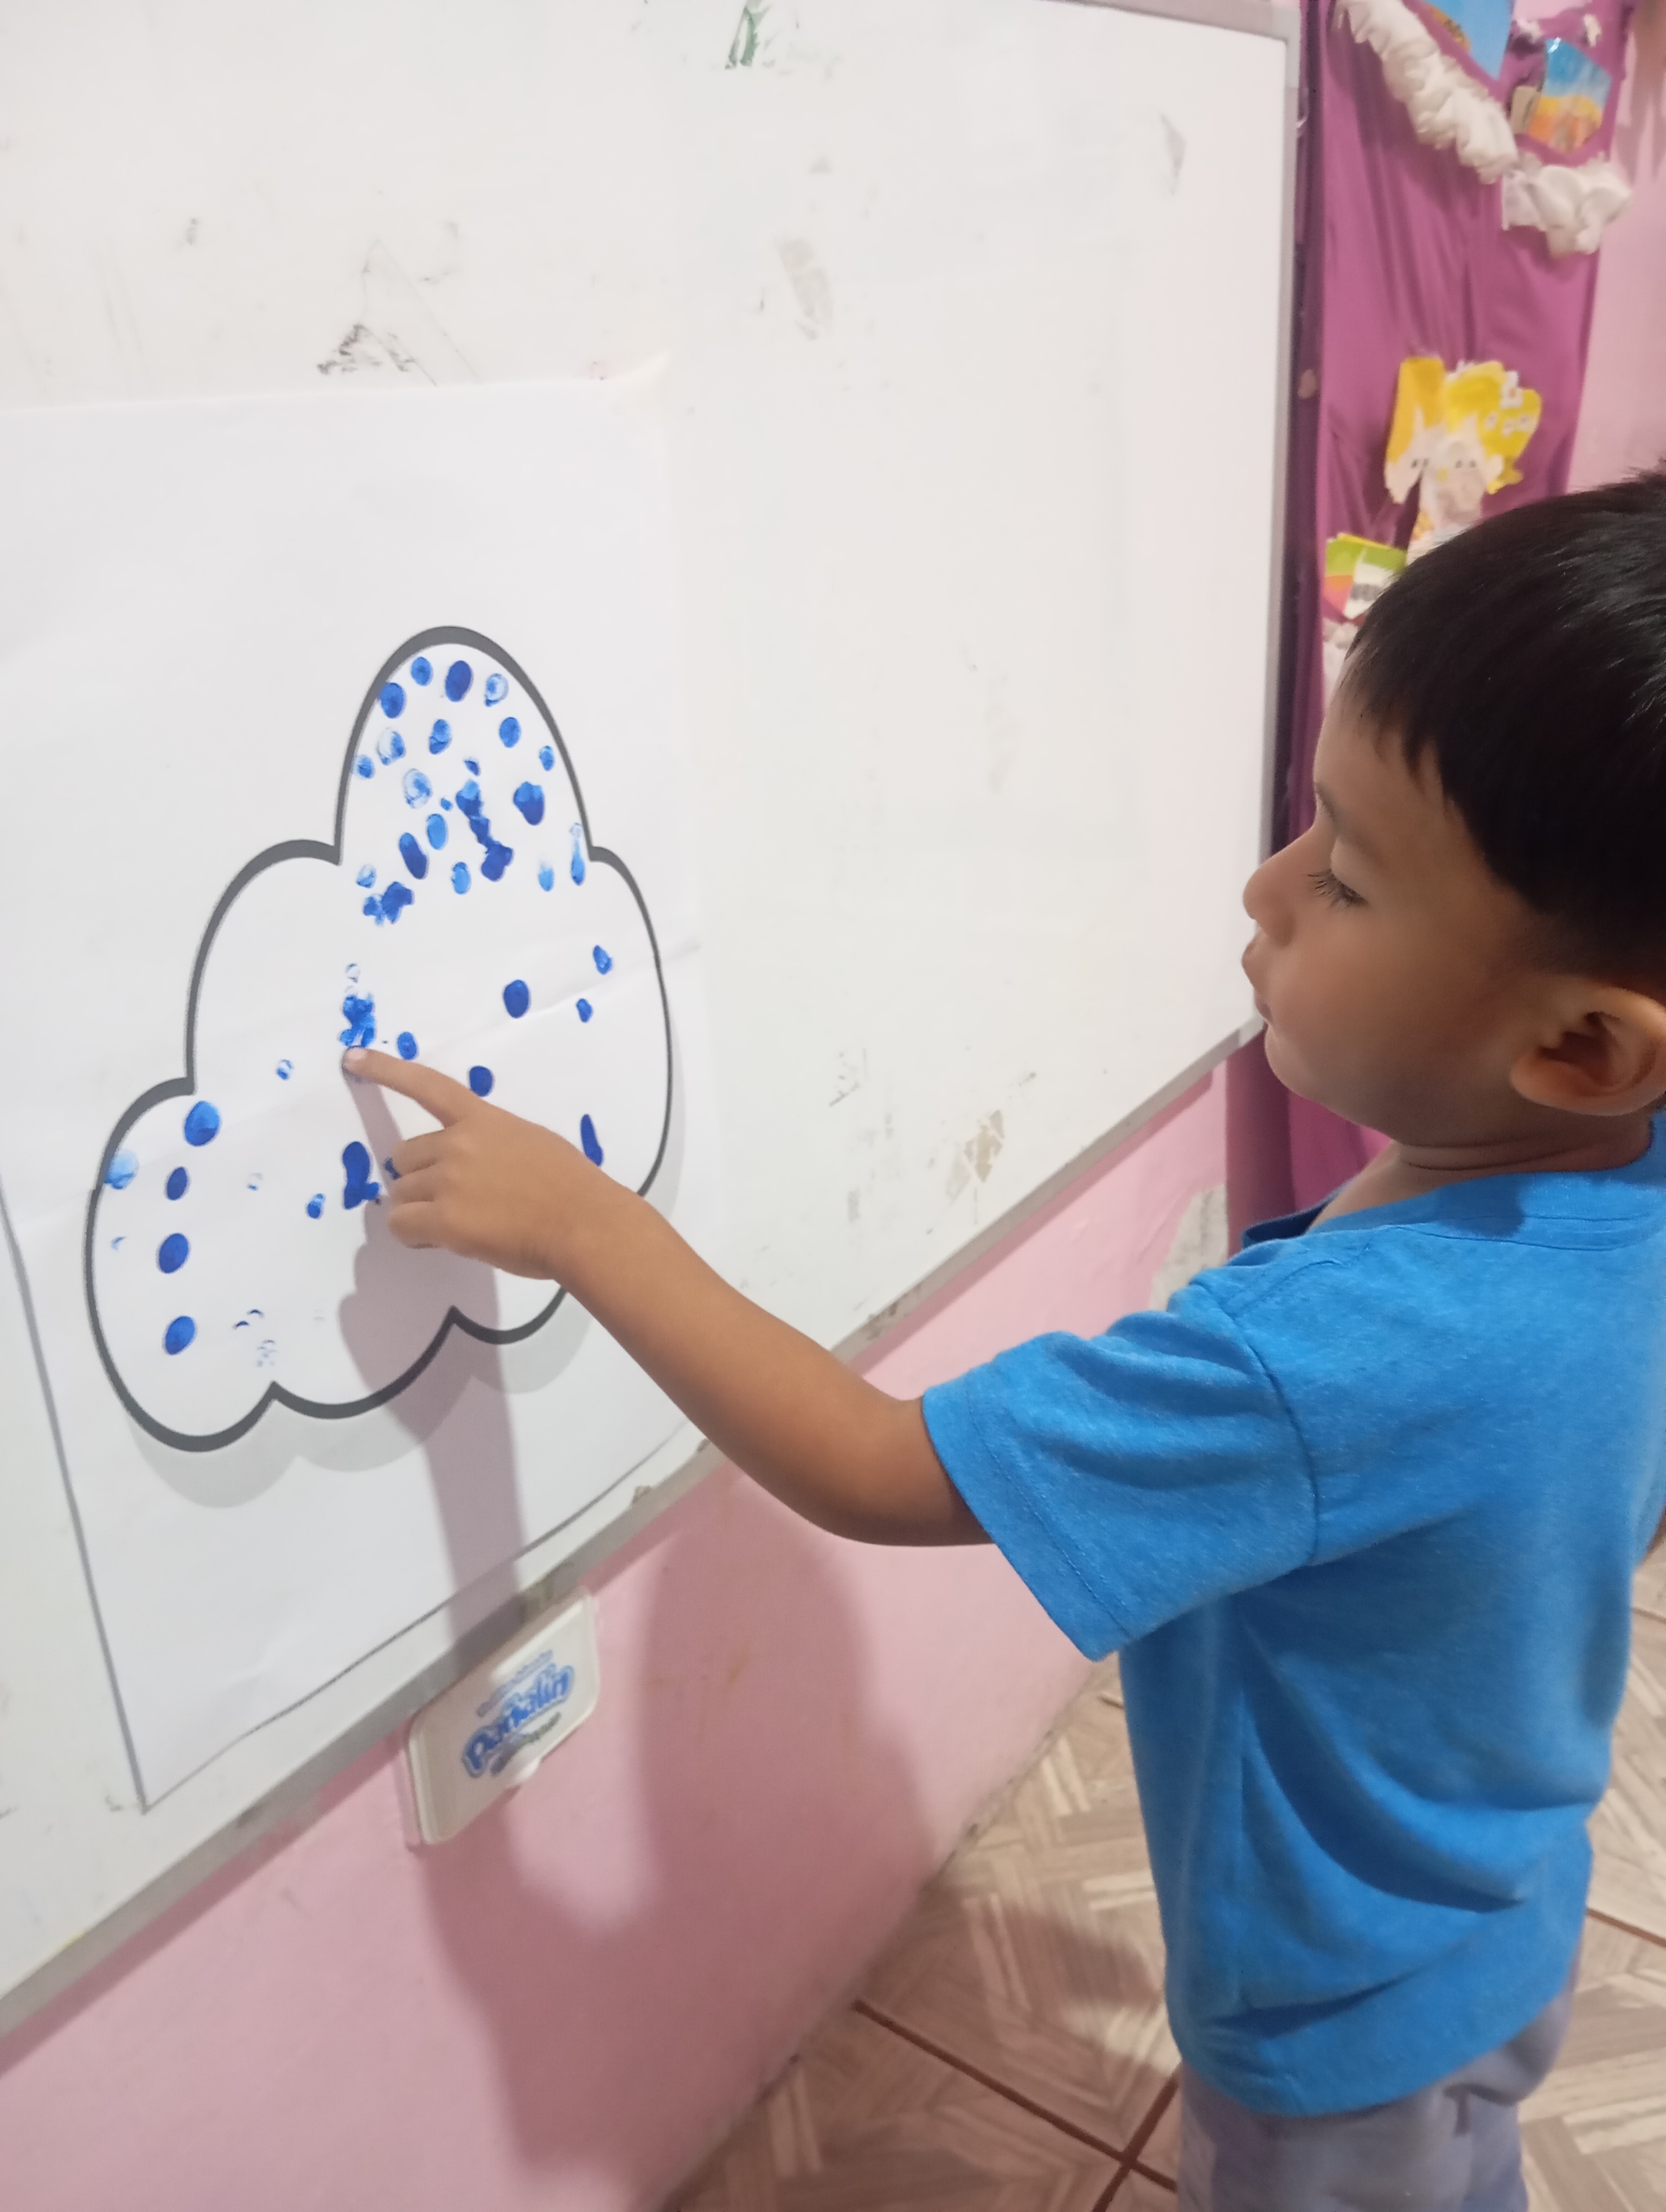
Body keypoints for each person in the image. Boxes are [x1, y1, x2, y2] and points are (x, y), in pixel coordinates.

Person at [344, 472, 1666, 2212]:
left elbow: (876, 1468)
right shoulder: (1629, 1189)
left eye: (1345, 880)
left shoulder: (1334, 1361)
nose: (1265, 890)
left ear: (1578, 1051)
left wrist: (588, 1226)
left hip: (1337, 2018)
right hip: (1501, 1905)